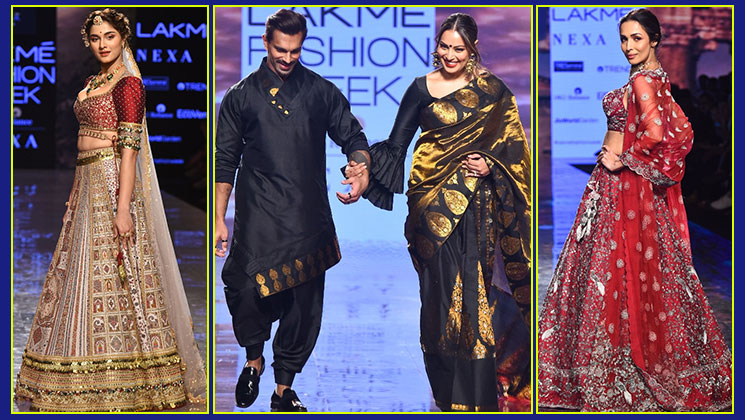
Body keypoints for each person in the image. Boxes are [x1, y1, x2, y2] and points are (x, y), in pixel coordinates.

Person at [536, 8, 732, 412]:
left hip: (621, 185)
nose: (628, 46)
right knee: (635, 270)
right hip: (628, 187)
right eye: (624, 39)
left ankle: (613, 370)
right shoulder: (654, 78)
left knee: (609, 269)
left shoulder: (644, 80)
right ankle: (632, 364)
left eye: (636, 38)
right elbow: (681, 132)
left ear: (654, 39)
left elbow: (659, 134)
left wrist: (622, 159)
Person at [14, 8, 208, 412]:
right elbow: (83, 147)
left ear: (123, 39)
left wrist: (123, 208)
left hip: (111, 184)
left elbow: (129, 151)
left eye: (110, 37)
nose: (103, 44)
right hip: (87, 185)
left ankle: (131, 379)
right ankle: (78, 367)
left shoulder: (129, 84)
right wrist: (73, 196)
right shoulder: (94, 82)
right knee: (80, 273)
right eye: (96, 38)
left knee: (117, 273)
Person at [359, 13, 532, 412]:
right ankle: (445, 391)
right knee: (437, 297)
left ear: (473, 50)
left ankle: (476, 395)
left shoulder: (493, 91)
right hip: (429, 203)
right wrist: (363, 177)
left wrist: (491, 164)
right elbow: (397, 145)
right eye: (445, 47)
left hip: (478, 206)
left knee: (473, 292)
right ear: (436, 46)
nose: (450, 55)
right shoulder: (420, 88)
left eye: (459, 49)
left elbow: (515, 150)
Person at [213, 9, 371, 412]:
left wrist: (360, 169)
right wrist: (218, 218)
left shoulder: (319, 91)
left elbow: (352, 135)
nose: (287, 58)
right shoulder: (241, 96)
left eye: (295, 51)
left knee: (304, 304)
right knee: (244, 286)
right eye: (280, 49)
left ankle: (283, 390)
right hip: (259, 212)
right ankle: (253, 359)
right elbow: (225, 160)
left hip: (306, 213)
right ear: (266, 43)